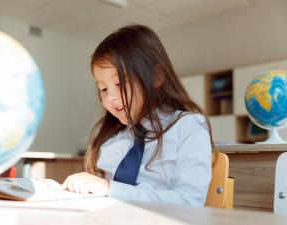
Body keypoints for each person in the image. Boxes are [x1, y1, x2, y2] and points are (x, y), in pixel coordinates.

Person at [62, 24, 213, 207]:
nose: (110, 97)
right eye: (103, 88)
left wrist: (110, 188)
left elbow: (189, 201)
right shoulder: (109, 136)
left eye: (120, 83)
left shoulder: (189, 127)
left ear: (156, 76)